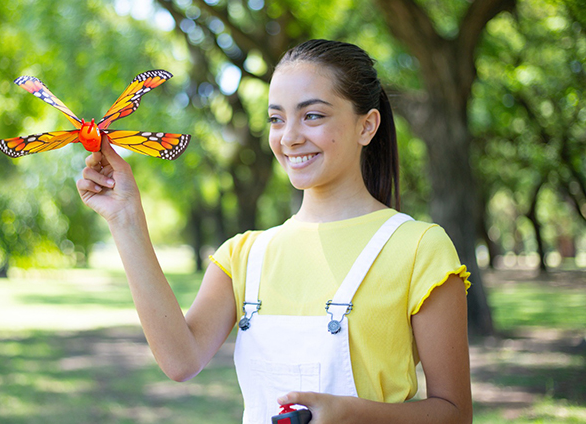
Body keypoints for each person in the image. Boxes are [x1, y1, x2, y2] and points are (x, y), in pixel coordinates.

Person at [77, 39, 473, 424]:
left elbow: (454, 413)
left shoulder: (419, 248)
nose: (289, 137)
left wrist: (352, 414)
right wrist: (124, 219)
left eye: (312, 115)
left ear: (366, 126)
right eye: (276, 118)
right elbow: (181, 361)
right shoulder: (244, 255)